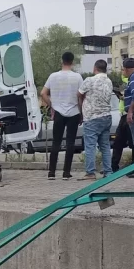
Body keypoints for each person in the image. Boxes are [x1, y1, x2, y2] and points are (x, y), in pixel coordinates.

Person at [41, 50, 82, 180]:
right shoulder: (77, 77)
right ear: (72, 62)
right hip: (74, 112)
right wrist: (81, 112)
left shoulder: (53, 76)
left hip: (58, 112)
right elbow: (80, 96)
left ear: (61, 61)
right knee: (70, 142)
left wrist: (52, 105)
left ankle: (52, 172)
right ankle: (66, 172)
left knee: (56, 142)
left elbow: (43, 93)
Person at [78, 59, 114, 179]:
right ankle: (108, 171)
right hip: (106, 116)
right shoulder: (109, 82)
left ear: (95, 68)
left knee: (90, 146)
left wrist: (81, 112)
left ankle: (90, 172)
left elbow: (79, 94)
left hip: (92, 117)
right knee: (105, 146)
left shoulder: (89, 80)